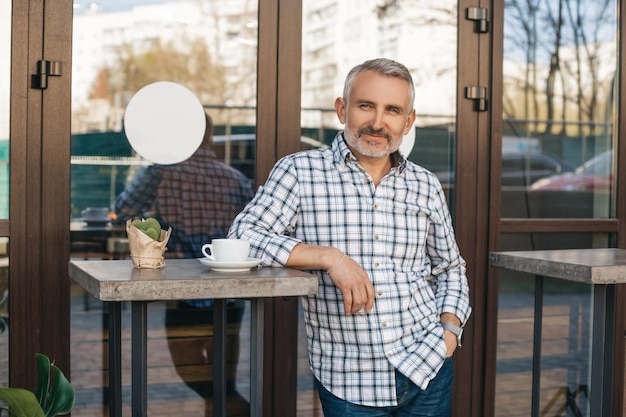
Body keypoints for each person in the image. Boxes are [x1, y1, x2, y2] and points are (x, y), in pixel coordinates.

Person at [228, 58, 471, 416]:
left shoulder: (426, 185)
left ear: (408, 121)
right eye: (366, 106)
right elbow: (243, 237)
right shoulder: (299, 172)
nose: (378, 122)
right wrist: (329, 258)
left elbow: (450, 268)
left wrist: (449, 332)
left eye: (392, 110)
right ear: (342, 109)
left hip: (429, 366)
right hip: (349, 378)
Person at [113, 111, 254, 416]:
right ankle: (233, 406)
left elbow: (123, 208)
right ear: (210, 137)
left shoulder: (159, 173)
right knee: (223, 373)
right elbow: (251, 231)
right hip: (230, 289)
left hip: (180, 288)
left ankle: (236, 407)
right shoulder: (235, 177)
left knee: (187, 366)